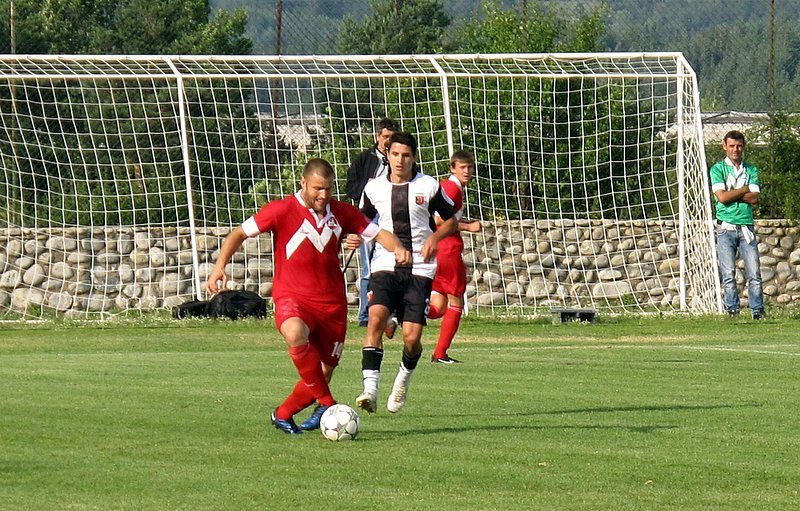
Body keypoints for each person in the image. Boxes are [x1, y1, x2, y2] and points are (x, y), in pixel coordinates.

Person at [207, 158, 410, 435]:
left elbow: (378, 233)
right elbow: (239, 233)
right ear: (303, 183)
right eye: (317, 189)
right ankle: (327, 403)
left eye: (328, 189)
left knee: (323, 372)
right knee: (294, 333)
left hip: (332, 304)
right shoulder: (281, 210)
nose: (323, 195)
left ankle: (283, 414)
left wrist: (398, 248)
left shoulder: (341, 212)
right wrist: (219, 266)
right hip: (293, 297)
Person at [353, 131, 458, 414]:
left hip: (421, 270)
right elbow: (359, 221)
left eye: (406, 155)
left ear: (414, 157)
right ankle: (370, 390)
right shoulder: (373, 188)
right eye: (395, 154)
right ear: (387, 155)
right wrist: (354, 236)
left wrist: (435, 239)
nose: (400, 160)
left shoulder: (429, 185)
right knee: (375, 320)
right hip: (385, 265)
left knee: (411, 338)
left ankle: (403, 378)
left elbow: (451, 222)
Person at [345, 117, 400, 328]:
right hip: (368, 216)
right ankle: (365, 316)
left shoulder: (400, 160)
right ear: (378, 137)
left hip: (391, 216)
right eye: (385, 137)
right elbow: (350, 188)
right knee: (368, 267)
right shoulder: (364, 159)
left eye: (392, 138)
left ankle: (392, 312)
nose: (388, 141)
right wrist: (367, 187)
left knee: (392, 263)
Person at [428, 150, 482, 363]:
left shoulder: (448, 186)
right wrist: (469, 226)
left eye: (470, 167)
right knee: (456, 302)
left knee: (438, 307)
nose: (467, 171)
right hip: (447, 250)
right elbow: (440, 220)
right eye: (462, 167)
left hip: (439, 250)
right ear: (452, 168)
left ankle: (399, 314)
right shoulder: (452, 188)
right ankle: (440, 354)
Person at [710, 130, 764, 319]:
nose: (736, 149)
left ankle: (757, 310)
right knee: (728, 272)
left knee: (754, 272)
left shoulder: (751, 170)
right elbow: (722, 197)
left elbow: (755, 198)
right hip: (726, 227)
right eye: (732, 146)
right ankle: (732, 310)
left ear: (744, 147)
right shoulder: (717, 169)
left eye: (739, 146)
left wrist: (733, 192)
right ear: (724, 146)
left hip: (746, 226)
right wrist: (743, 190)